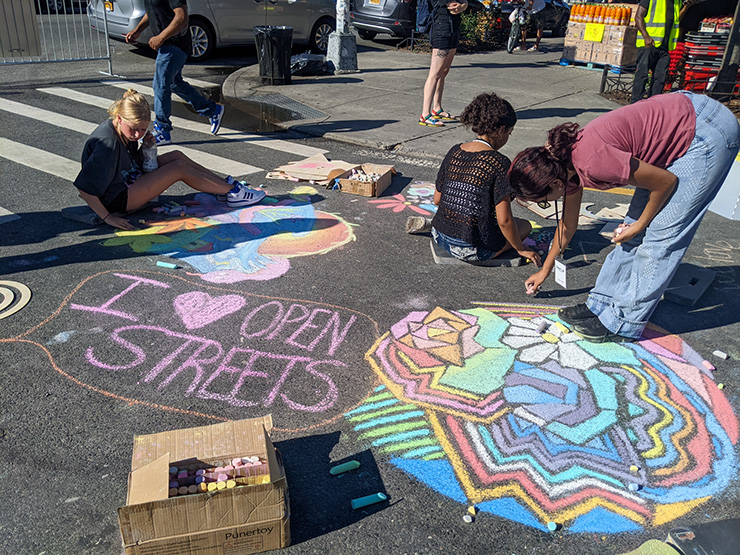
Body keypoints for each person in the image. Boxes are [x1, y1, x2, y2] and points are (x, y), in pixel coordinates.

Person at [508, 91, 740, 342]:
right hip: (681, 121)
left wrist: (640, 225)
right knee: (627, 232)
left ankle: (624, 323)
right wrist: (545, 269)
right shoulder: (562, 165)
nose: (545, 204)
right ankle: (601, 304)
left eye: (542, 200)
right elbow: (568, 224)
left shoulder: (592, 162)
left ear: (554, 183)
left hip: (704, 133)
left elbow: (665, 182)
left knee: (661, 238)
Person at [73, 89, 264, 231]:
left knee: (176, 156)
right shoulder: (108, 145)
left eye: (143, 129)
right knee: (178, 168)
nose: (138, 134)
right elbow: (85, 188)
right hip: (118, 199)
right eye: (134, 129)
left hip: (127, 181)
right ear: (119, 118)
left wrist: (146, 148)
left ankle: (224, 188)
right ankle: (233, 192)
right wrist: (107, 217)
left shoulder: (121, 129)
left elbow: (127, 162)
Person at [421, 92, 541, 266]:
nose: (508, 137)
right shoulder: (499, 163)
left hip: (440, 236)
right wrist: (520, 248)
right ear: (501, 130)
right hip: (471, 249)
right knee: (524, 226)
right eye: (509, 132)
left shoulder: (454, 151)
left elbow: (437, 199)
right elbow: (504, 220)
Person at [125, 0, 224, 145]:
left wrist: (161, 37)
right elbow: (152, 11)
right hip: (168, 46)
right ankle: (212, 110)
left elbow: (182, 17)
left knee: (160, 85)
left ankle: (162, 131)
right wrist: (138, 30)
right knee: (173, 83)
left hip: (175, 45)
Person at [419, 0, 468, 127]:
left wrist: (463, 6)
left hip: (454, 26)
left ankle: (437, 108)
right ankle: (425, 114)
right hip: (441, 27)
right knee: (434, 74)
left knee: (444, 71)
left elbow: (465, 2)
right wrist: (454, 5)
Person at [631, 0, 681, 103]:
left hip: (664, 47)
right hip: (649, 45)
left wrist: (686, 7)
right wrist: (646, 36)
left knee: (660, 78)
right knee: (642, 75)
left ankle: (653, 104)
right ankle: (635, 103)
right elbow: (638, 16)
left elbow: (675, 19)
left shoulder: (676, 2)